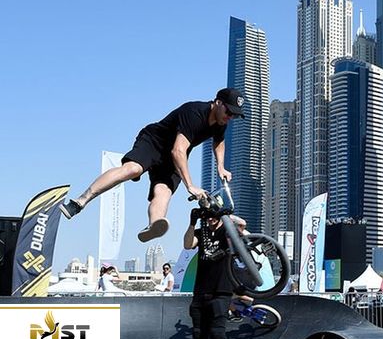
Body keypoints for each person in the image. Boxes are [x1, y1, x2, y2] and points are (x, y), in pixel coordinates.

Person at [60, 88, 245, 243]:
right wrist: (190, 185)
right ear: (218, 103)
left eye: (234, 116)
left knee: (163, 191)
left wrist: (220, 166)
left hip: (173, 156)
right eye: (229, 112)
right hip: (154, 142)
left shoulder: (221, 122)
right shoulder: (195, 112)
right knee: (133, 169)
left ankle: (154, 224)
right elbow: (178, 151)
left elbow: (218, 142)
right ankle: (80, 201)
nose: (230, 118)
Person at [183, 209, 237, 339]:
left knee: (217, 333)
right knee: (199, 337)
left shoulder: (228, 231)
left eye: (214, 216)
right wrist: (193, 223)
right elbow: (188, 243)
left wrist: (224, 214)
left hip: (221, 291)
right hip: (200, 292)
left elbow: (243, 225)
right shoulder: (202, 231)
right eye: (207, 217)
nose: (210, 219)